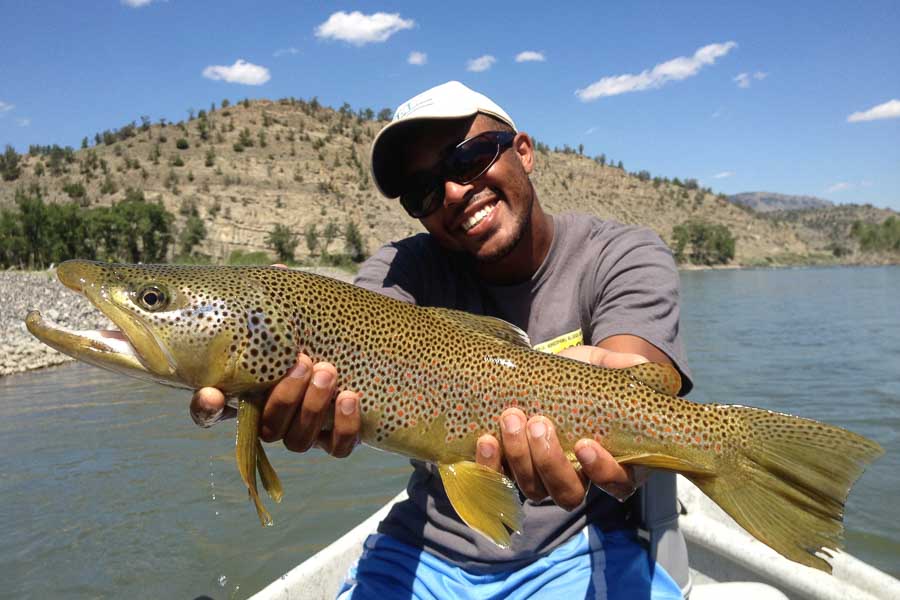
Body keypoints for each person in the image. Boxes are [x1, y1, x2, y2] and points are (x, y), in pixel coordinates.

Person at [191, 81, 693, 599]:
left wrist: (626, 409)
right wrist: (274, 322)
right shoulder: (403, 269)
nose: (453, 193)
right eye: (424, 191)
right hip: (424, 548)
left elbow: (641, 378)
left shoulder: (621, 253)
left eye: (469, 158)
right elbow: (342, 330)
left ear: (523, 152)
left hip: (580, 544)